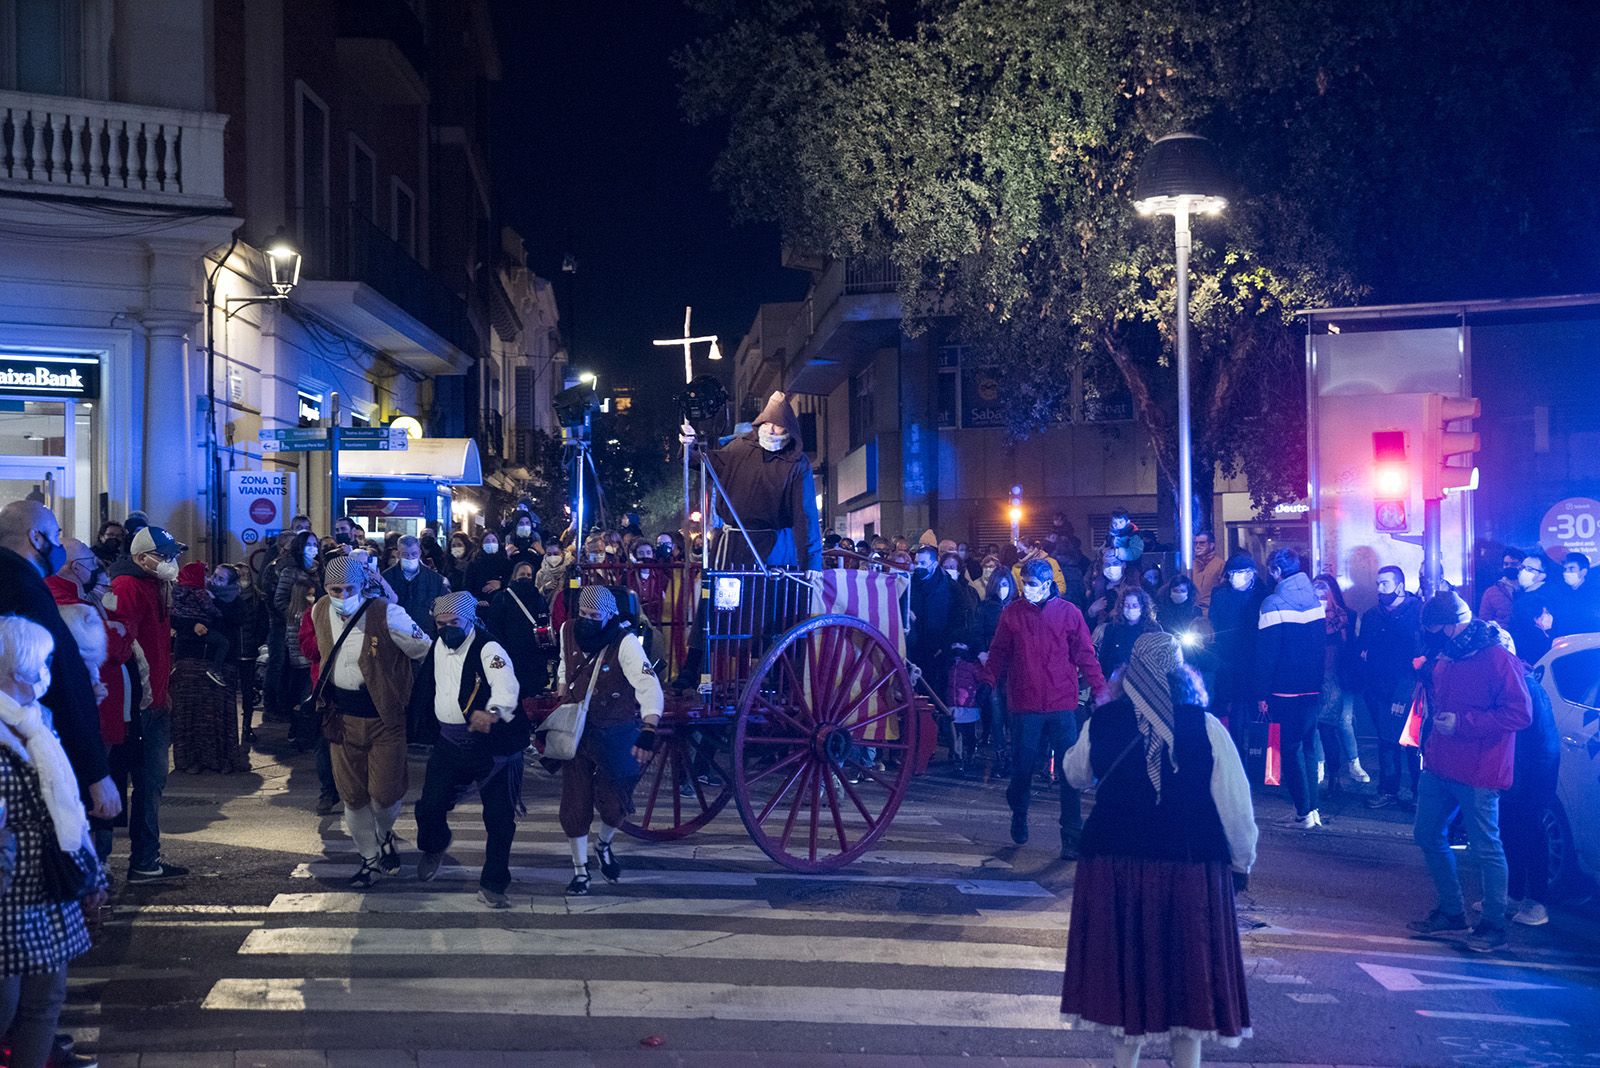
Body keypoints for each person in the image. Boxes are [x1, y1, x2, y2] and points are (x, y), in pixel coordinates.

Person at [1062, 632, 1256, 1068]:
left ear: (1130, 671)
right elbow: (1235, 804)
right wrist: (1242, 861)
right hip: (1188, 863)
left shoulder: (1106, 721)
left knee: (1123, 968)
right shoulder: (1206, 727)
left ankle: (1123, 1062)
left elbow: (1075, 774)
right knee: (1187, 972)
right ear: (1179, 671)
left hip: (1114, 860)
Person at [0, 616, 107, 1068]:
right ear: (16, 670)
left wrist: (89, 870)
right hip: (7, 895)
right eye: (41, 662)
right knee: (6, 1008)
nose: (47, 672)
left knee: (44, 1003)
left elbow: (64, 805)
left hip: (47, 886)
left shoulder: (36, 722)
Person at [1407, 591, 1531, 953]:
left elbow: (1520, 715)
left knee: (1486, 846)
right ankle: (1453, 912)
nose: (1432, 636)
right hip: (1444, 761)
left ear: (1448, 626)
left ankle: (1492, 924)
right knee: (1428, 834)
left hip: (1479, 767)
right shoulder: (1452, 655)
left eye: (1434, 629)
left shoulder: (1497, 658)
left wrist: (1462, 723)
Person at [311, 557, 432, 888]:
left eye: (350, 588)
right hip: (341, 718)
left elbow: (425, 649)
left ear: (362, 585)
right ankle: (369, 859)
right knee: (352, 795)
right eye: (336, 589)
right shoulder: (319, 610)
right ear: (325, 589)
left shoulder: (387, 613)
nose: (343, 594)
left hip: (385, 717)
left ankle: (384, 832)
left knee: (384, 794)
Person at [981, 558, 1109, 858]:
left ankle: (1071, 835)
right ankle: (1019, 810)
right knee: (1023, 769)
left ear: (1048, 584)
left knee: (1068, 773)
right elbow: (999, 651)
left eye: (1033, 585)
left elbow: (1085, 654)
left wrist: (1100, 689)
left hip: (1061, 703)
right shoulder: (1012, 613)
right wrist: (987, 681)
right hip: (1025, 704)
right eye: (1024, 583)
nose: (1027, 589)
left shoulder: (1069, 614)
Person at [0, 503, 118, 826]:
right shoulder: (25, 588)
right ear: (36, 538)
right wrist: (96, 773)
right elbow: (63, 679)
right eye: (55, 535)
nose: (58, 545)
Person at [411, 592, 525, 908]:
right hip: (449, 743)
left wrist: (492, 712)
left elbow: (506, 684)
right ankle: (435, 844)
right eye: (440, 624)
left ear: (470, 619)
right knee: (430, 806)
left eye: (454, 622)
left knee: (500, 819)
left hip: (490, 747)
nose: (447, 629)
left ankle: (493, 884)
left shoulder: (489, 648)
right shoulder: (438, 645)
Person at [556, 586, 663, 895]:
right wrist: (563, 691)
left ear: (610, 616)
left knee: (615, 804)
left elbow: (647, 684)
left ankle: (603, 844)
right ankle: (580, 872)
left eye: (594, 616)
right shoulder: (568, 630)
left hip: (615, 730)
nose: (587, 621)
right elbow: (565, 664)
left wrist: (649, 727)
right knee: (574, 805)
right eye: (583, 614)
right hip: (577, 731)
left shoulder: (626, 643)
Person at [107, 523, 190, 882]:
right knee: (146, 781)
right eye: (164, 555)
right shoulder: (128, 586)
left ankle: (145, 857)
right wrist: (150, 695)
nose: (171, 561)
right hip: (141, 706)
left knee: (149, 782)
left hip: (150, 700)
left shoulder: (155, 584)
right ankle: (141, 859)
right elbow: (125, 645)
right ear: (141, 558)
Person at [1255, 548, 1326, 830]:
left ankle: (1302, 812)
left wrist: (1261, 692)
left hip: (1284, 689)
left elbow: (1267, 654)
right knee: (1309, 746)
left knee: (1290, 748)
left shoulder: (1272, 603)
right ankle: (1312, 809)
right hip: (1312, 687)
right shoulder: (1314, 600)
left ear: (1275, 571)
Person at [169, 564, 250, 775]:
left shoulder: (235, 603)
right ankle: (190, 759)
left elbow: (234, 621)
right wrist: (193, 624)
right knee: (190, 712)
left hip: (222, 664)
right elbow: (176, 617)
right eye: (214, 575)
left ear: (232, 584)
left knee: (217, 714)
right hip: (191, 658)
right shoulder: (193, 595)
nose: (214, 580)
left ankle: (221, 758)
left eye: (221, 579)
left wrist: (215, 606)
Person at [1358, 566, 1424, 810]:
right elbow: (1362, 649)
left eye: (1384, 584)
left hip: (1408, 686)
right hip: (1379, 687)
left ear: (1399, 586)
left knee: (1412, 742)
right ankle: (1388, 789)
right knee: (1386, 741)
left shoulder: (1417, 611)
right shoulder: (1372, 615)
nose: (1379, 589)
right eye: (1377, 584)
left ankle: (1418, 792)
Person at [1501, 665, 1559, 928]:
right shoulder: (1518, 683)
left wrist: (1525, 780)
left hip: (1532, 775)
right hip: (1520, 772)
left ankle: (1536, 900)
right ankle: (1514, 894)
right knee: (1510, 831)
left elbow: (1540, 742)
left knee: (1531, 834)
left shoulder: (1526, 688)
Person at [1208, 552, 1267, 766]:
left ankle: (1257, 760)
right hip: (1228, 659)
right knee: (1231, 712)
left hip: (1254, 660)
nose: (1235, 577)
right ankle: (1235, 759)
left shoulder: (1264, 593)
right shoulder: (1220, 594)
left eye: (1240, 573)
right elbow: (1215, 623)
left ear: (1251, 574)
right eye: (1232, 573)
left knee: (1254, 711)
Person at [1311, 573, 1368, 789]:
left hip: (1343, 676)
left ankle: (1354, 763)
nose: (1320, 598)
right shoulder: (1311, 618)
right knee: (1319, 723)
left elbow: (1354, 646)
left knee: (1344, 721)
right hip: (1319, 677)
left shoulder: (1348, 616)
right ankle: (1320, 766)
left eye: (1323, 593)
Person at [483, 559, 555, 699]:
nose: (526, 577)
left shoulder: (537, 597)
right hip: (512, 653)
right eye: (522, 574)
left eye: (529, 575)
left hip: (534, 655)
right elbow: (494, 626)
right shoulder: (502, 597)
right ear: (514, 576)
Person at [908, 545, 962, 702]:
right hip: (915, 652)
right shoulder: (909, 585)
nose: (919, 567)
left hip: (939, 652)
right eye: (917, 563)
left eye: (923, 563)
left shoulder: (951, 587)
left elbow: (957, 618)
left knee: (938, 695)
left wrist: (945, 646)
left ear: (934, 563)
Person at [384, 535, 448, 640]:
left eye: (414, 554)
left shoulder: (435, 580)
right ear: (398, 554)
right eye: (405, 555)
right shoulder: (387, 578)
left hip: (426, 635)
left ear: (419, 553)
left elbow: (443, 609)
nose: (410, 558)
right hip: (395, 636)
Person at [1093, 587, 1160, 678]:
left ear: (1142, 607)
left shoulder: (1153, 628)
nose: (1130, 609)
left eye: (1134, 606)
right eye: (1127, 605)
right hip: (1115, 680)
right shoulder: (1112, 628)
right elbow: (1104, 658)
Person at [1508, 552, 1557, 667]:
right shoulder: (1523, 595)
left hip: (1534, 660)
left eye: (1529, 569)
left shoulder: (1543, 599)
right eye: (1522, 567)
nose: (1523, 572)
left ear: (1542, 575)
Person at [1554, 551, 1600, 637]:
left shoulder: (1595, 593)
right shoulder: (1560, 592)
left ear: (1583, 572)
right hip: (1565, 640)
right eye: (1565, 569)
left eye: (1571, 569)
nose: (1566, 572)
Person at [1477, 548, 1521, 629]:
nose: (1509, 567)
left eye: (1513, 564)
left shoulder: (1530, 589)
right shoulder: (1491, 592)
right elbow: (1484, 622)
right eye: (1506, 564)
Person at [463, 531, 511, 604]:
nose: (491, 543)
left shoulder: (506, 563)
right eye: (487, 541)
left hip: (501, 604)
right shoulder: (474, 563)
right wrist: (477, 600)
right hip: (479, 604)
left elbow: (511, 581)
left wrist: (501, 584)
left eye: (494, 541)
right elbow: (467, 585)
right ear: (482, 544)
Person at [1189, 531, 1225, 611]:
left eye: (1202, 543)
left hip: (1212, 610)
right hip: (1192, 611)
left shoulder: (1220, 564)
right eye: (1196, 543)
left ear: (1212, 545)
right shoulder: (1190, 565)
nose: (1197, 546)